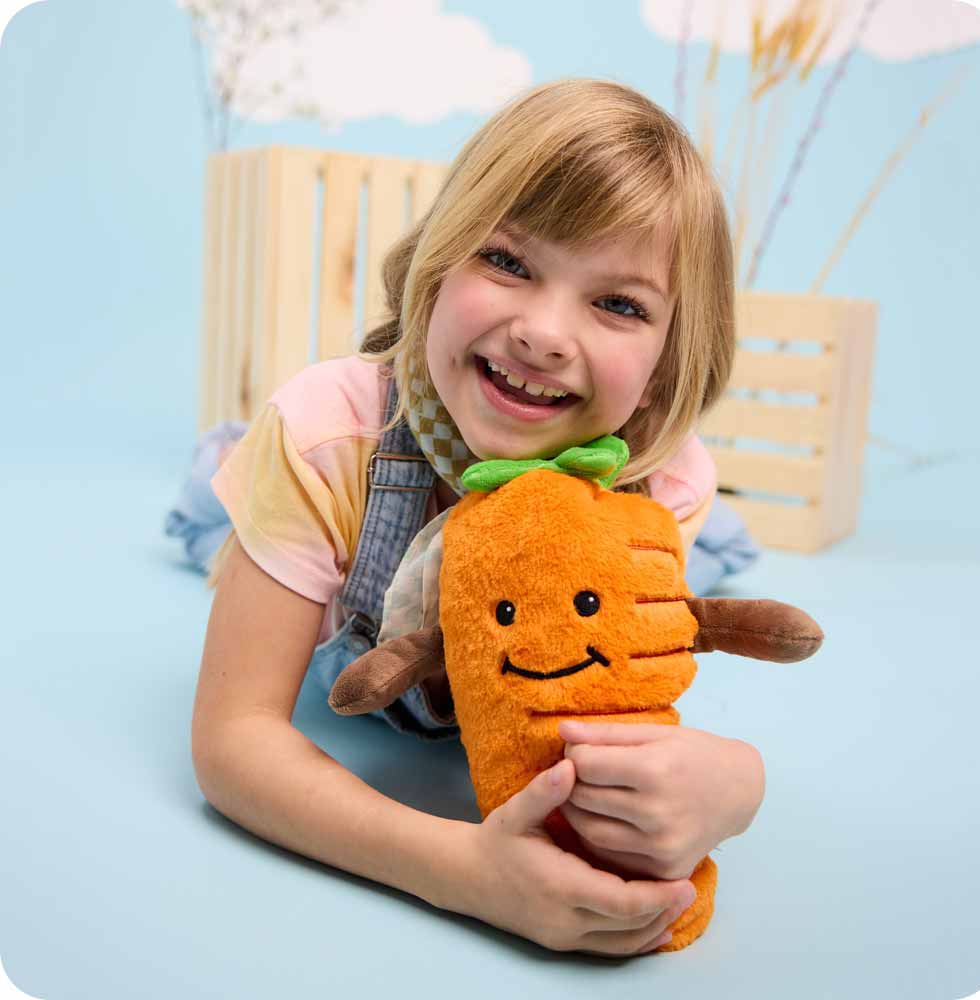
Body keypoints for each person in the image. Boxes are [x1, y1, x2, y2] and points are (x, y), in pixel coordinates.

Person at [190, 77, 765, 958]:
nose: (542, 332)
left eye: (618, 304)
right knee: (207, 518)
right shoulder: (330, 438)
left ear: (667, 362)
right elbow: (234, 740)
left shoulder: (665, 485)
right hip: (322, 484)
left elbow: (619, 695)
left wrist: (740, 786)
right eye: (507, 261)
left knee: (713, 557)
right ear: (441, 256)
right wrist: (463, 871)